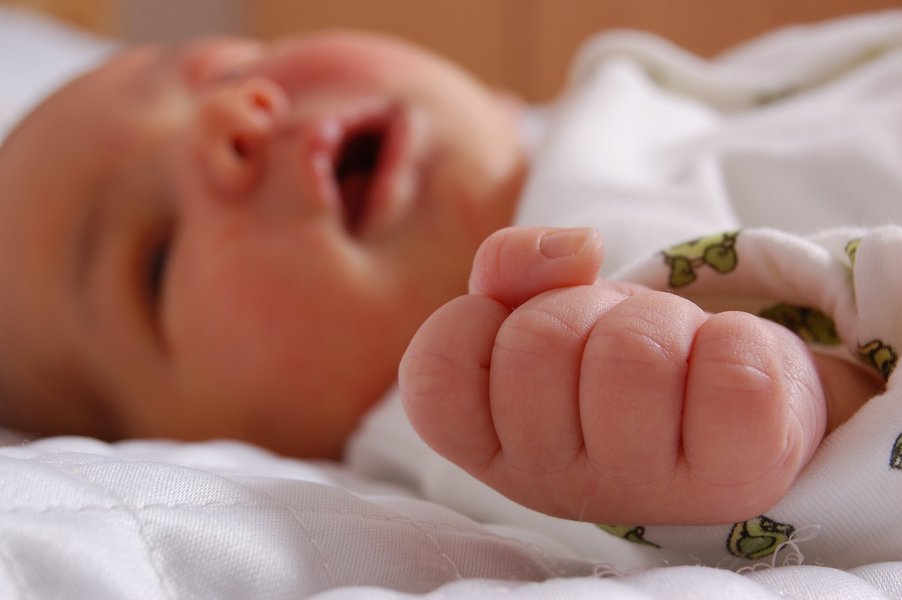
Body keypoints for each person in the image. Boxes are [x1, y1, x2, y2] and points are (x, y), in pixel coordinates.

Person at [0, 16, 899, 569]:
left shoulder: (636, 92)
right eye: (156, 257)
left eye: (227, 72)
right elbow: (829, 513)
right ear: (184, 439)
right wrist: (795, 411)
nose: (234, 122)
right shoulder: (491, 421)